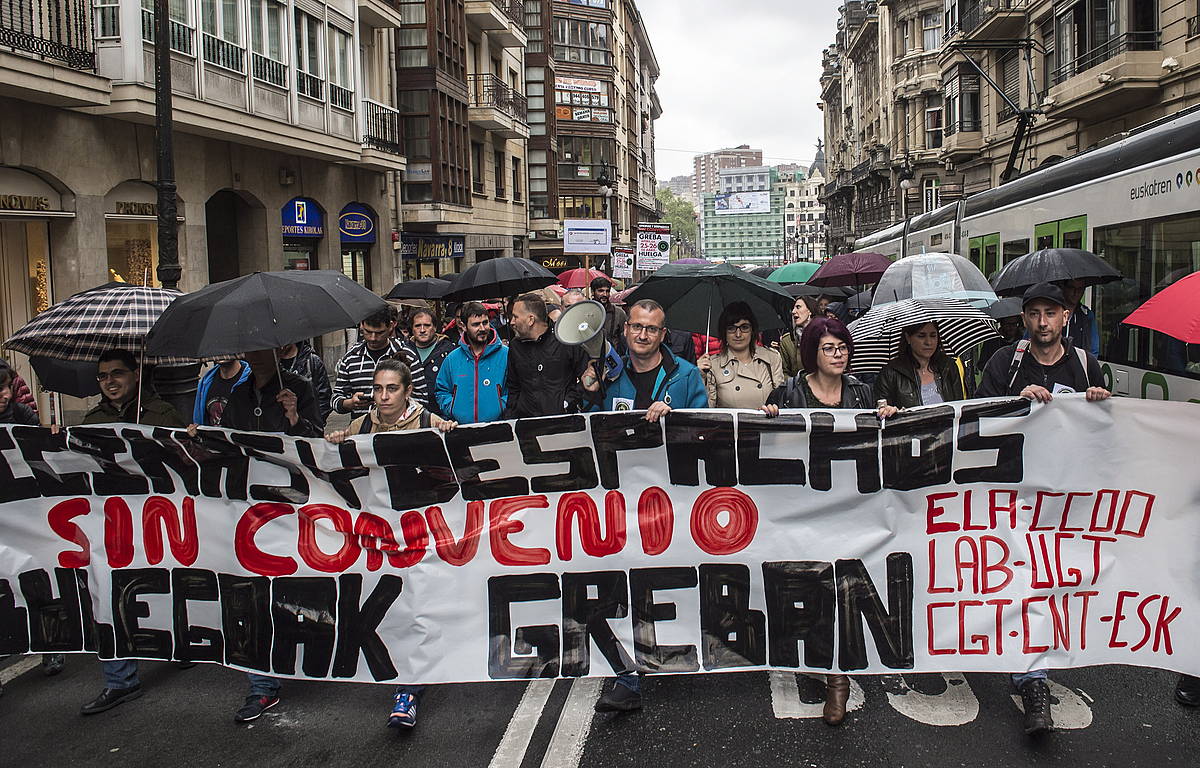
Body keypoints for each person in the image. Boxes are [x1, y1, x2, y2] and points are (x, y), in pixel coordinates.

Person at [976, 282, 1110, 737]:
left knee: (1051, 583)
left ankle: (1036, 661)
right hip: (1014, 495)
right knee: (1023, 581)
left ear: (1066, 317)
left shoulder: (1085, 366)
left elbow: (1104, 434)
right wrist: (1017, 401)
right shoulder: (1005, 363)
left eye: (1050, 313)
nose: (1042, 322)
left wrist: (1099, 405)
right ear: (1024, 319)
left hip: (1066, 498)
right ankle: (1032, 679)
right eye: (1034, 313)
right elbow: (979, 419)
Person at [761, 317, 894, 728]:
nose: (839, 355)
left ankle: (837, 678)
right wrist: (769, 416)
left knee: (845, 588)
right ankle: (827, 663)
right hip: (805, 507)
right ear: (811, 353)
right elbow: (769, 444)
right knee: (817, 587)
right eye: (829, 348)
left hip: (852, 507)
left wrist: (888, 414)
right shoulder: (790, 392)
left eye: (843, 347)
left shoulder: (862, 392)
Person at [582, 298, 706, 713]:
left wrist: (676, 416)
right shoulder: (609, 373)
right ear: (625, 329)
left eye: (651, 329)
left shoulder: (684, 375)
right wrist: (589, 392)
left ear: (662, 334)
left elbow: (707, 430)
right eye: (636, 326)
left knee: (660, 585)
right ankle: (628, 676)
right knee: (615, 590)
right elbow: (584, 428)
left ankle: (669, 656)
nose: (642, 334)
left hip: (669, 502)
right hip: (618, 500)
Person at [326, 360, 456, 727]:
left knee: (418, 608)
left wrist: (449, 433)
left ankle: (408, 690)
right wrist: (335, 443)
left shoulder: (427, 423)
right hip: (380, 539)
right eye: (378, 389)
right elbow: (336, 468)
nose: (383, 396)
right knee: (394, 609)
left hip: (421, 536)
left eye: (392, 388)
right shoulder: (362, 426)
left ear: (408, 391)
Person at [211, 348, 320, 723]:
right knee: (252, 594)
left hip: (292, 505)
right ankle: (262, 686)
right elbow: (224, 444)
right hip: (249, 508)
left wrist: (294, 418)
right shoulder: (239, 395)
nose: (257, 357)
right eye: (251, 351)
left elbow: (317, 444)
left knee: (292, 589)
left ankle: (310, 652)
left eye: (264, 350)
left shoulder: (299, 387)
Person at [78, 350, 187, 716]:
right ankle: (120, 680)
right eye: (102, 376)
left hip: (158, 521)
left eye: (117, 373)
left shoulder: (163, 415)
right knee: (108, 594)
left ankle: (180, 643)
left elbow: (184, 465)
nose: (109, 382)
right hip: (113, 525)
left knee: (166, 586)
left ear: (136, 374)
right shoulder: (92, 421)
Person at [0, 365, 65, 690]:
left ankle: (50, 644)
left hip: (25, 509)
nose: (2, 396)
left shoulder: (22, 414)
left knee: (35, 578)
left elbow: (40, 456)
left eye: (4, 388)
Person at [503, 292, 588, 418]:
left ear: (530, 320)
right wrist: (512, 413)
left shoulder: (565, 340)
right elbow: (514, 386)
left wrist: (567, 403)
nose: (512, 322)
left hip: (561, 422)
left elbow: (586, 376)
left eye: (515, 317)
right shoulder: (515, 346)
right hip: (527, 422)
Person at [698, 301, 785, 409]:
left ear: (752, 330)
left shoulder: (771, 358)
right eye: (731, 328)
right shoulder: (712, 365)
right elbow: (707, 410)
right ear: (724, 332)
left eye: (744, 327)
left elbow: (780, 400)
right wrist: (701, 377)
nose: (738, 334)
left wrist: (773, 409)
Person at [435, 301, 509, 424]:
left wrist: (501, 406)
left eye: (485, 323)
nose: (482, 328)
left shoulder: (506, 355)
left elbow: (514, 389)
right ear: (464, 326)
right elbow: (441, 390)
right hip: (462, 429)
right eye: (476, 324)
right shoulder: (452, 359)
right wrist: (452, 408)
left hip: (497, 428)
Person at [331, 306, 411, 418]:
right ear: (362, 325)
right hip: (361, 425)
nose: (373, 338)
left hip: (399, 425)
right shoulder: (351, 357)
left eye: (379, 333)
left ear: (391, 326)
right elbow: (335, 399)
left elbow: (421, 398)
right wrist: (350, 403)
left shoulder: (406, 353)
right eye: (368, 332)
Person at [873, 322, 970, 408]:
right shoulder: (890, 373)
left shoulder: (948, 366)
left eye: (933, 335)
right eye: (921, 336)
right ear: (908, 338)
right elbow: (881, 410)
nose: (928, 342)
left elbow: (959, 407)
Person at [398, 309, 456, 413]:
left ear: (434, 327)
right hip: (411, 413)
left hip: (441, 414)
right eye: (417, 326)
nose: (422, 330)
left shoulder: (449, 352)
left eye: (427, 325)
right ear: (412, 328)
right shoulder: (403, 352)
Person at [278, 339, 332, 427]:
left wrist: (311, 425)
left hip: (307, 428)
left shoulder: (312, 361)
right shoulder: (270, 364)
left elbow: (324, 398)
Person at [192, 358, 250, 426]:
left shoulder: (250, 380)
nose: (221, 353)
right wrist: (195, 429)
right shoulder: (206, 381)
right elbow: (198, 421)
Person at [1058, 278, 1100, 356]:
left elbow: (1093, 349)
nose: (1076, 292)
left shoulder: (1087, 315)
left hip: (1079, 362)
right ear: (1064, 288)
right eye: (1072, 288)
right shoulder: (1053, 313)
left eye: (1080, 289)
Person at [778, 296, 818, 377]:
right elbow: (784, 372)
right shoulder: (787, 340)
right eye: (793, 308)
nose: (793, 311)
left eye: (798, 307)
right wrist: (796, 383)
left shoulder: (825, 336)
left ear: (810, 311)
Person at [591, 276, 627, 346]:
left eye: (607, 291)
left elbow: (624, 338)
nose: (605, 294)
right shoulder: (586, 311)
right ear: (593, 292)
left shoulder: (619, 313)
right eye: (600, 291)